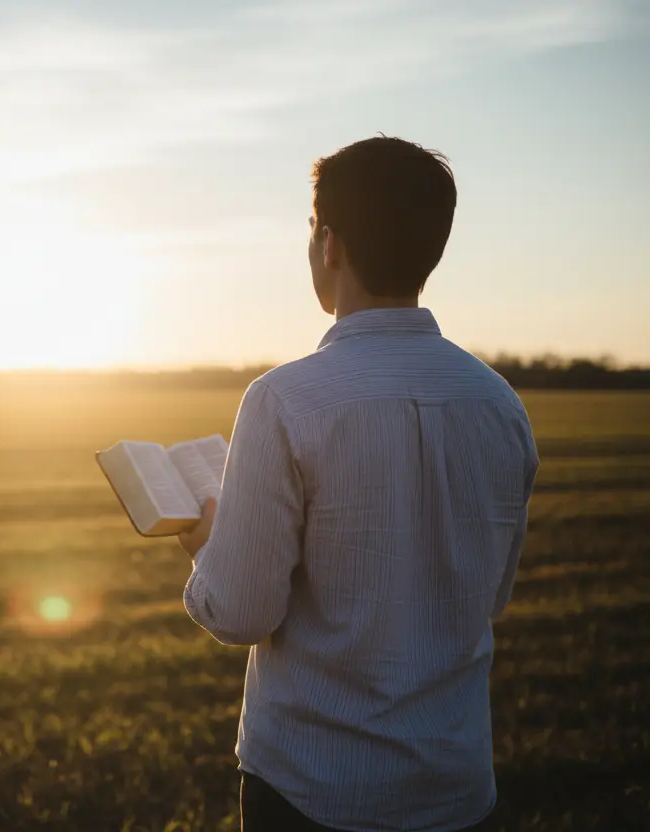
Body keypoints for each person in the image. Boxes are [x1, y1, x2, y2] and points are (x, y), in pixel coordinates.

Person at [177, 136, 538, 832]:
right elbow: (489, 593)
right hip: (457, 788)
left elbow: (242, 612)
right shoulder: (500, 404)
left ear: (329, 243)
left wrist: (207, 544)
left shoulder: (284, 400)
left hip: (313, 790)